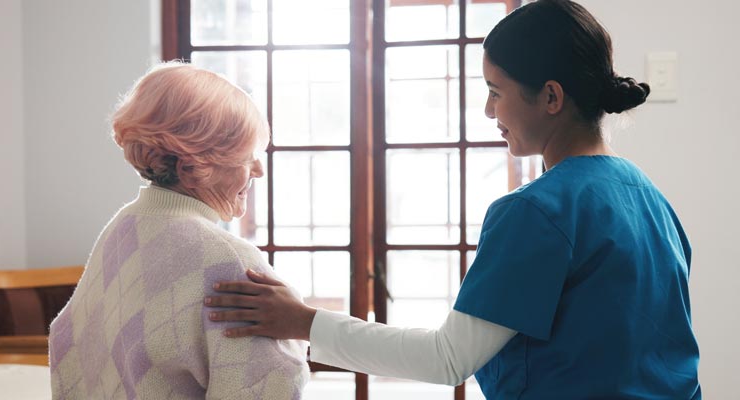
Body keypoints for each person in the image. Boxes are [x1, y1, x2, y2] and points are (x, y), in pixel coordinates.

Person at [204, 1, 702, 398]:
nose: (488, 110)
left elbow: (447, 359)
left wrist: (302, 321)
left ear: (551, 97)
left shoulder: (538, 211)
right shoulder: (650, 198)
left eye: (496, 92)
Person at [48, 62, 309, 399]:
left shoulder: (123, 228)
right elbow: (272, 383)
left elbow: (70, 342)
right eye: (245, 157)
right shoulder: (229, 261)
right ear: (192, 167)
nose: (258, 170)